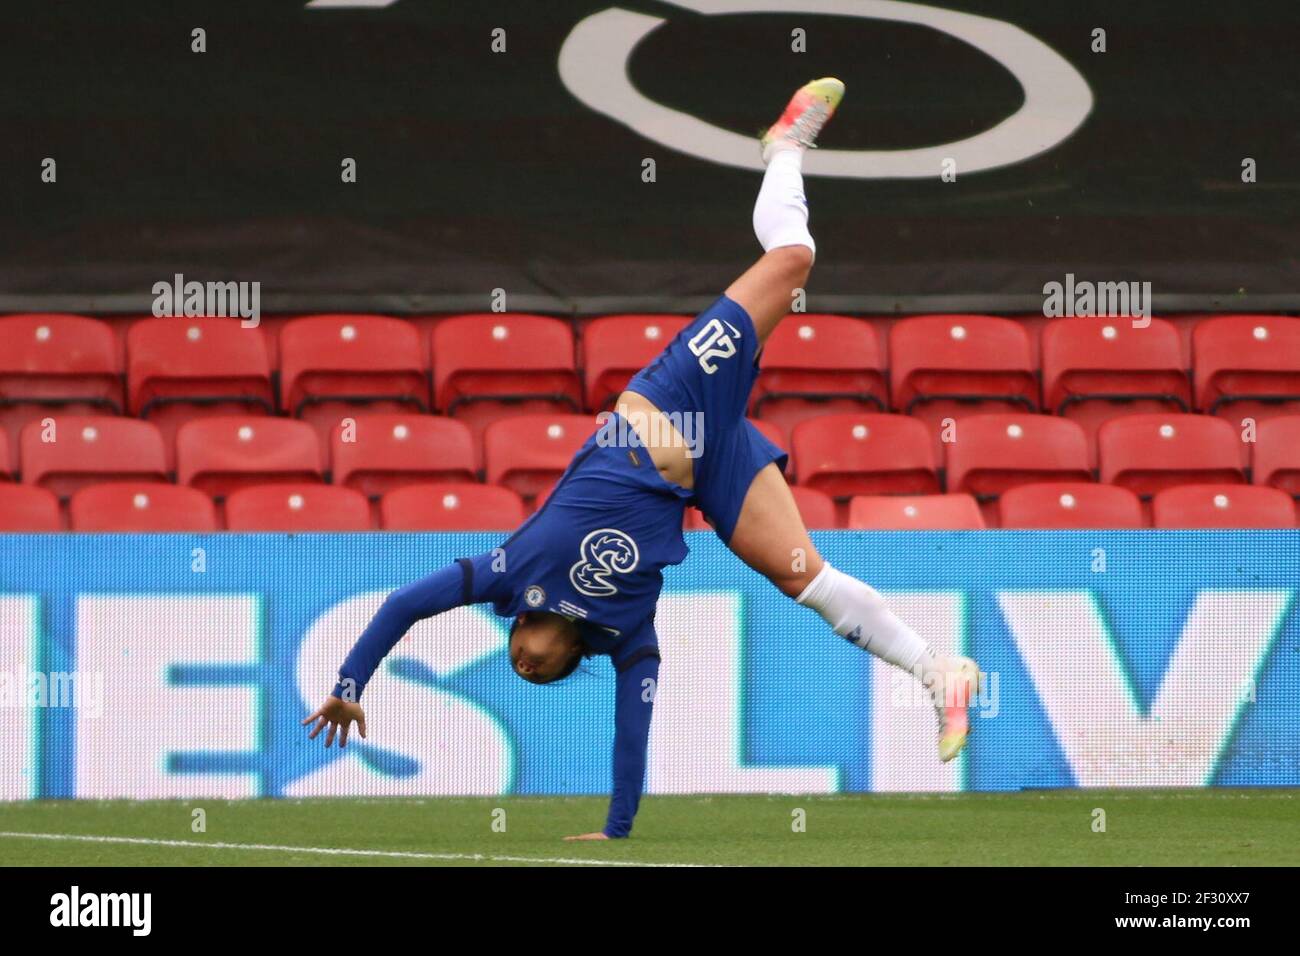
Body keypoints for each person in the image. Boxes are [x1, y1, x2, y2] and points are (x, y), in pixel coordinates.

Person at [303, 78, 982, 840]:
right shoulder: (626, 634)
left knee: (792, 261)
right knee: (806, 578)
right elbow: (632, 733)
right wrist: (617, 830)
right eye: (542, 672)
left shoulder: (506, 572)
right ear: (570, 659)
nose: (525, 664)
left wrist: (348, 683)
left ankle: (786, 145)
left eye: (521, 660)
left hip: (671, 402)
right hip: (713, 463)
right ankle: (940, 672)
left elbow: (402, 605)